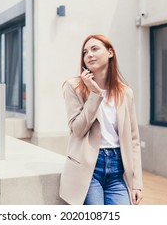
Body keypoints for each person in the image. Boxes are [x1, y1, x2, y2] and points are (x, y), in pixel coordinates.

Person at [59, 34, 143, 205]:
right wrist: (95, 94)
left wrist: (137, 183)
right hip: (89, 168)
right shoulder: (73, 86)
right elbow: (78, 129)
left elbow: (133, 140)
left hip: (118, 169)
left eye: (95, 49)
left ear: (110, 52)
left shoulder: (125, 92)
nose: (89, 54)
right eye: (85, 52)